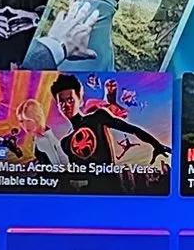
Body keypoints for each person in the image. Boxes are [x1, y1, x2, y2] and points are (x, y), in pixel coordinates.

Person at [42, 74, 170, 185]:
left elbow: (131, 129)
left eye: (70, 99)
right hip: (88, 195)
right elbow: (76, 173)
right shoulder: (65, 142)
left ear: (79, 99)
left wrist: (156, 144)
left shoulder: (98, 117)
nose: (66, 105)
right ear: (58, 106)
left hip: (114, 187)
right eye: (62, 102)